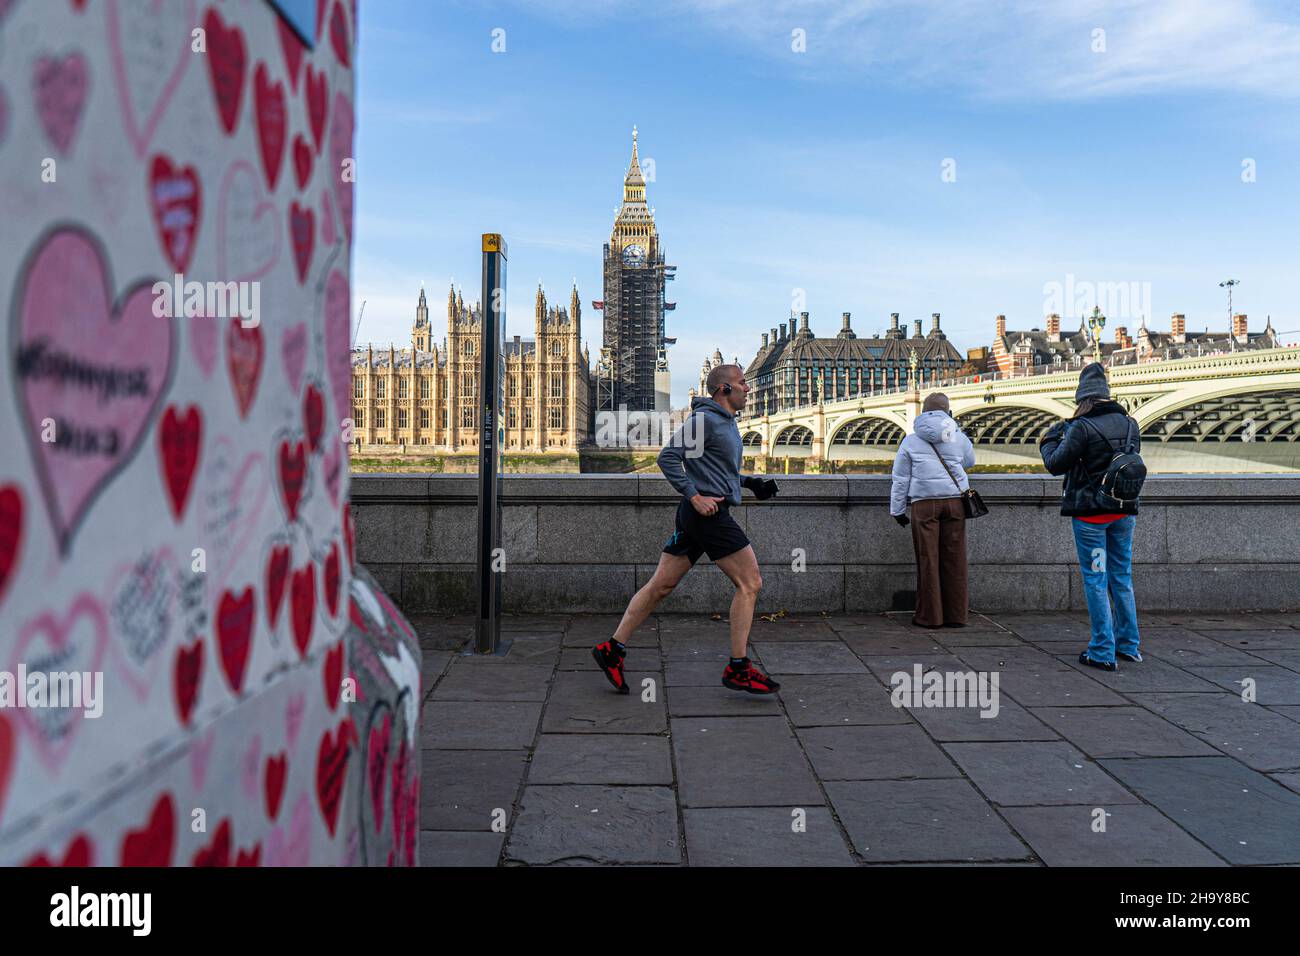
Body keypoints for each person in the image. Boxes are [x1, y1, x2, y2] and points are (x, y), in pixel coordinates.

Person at [591, 364, 782, 695]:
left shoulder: (723, 423)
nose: (747, 389)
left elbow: (713, 472)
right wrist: (694, 497)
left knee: (660, 586)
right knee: (750, 583)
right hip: (708, 516)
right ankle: (738, 668)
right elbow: (668, 458)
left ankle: (612, 650)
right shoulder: (704, 421)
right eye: (742, 383)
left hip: (699, 514)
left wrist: (751, 483)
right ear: (724, 390)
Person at [1039, 361, 1141, 671]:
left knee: (1096, 580)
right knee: (1121, 578)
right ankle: (1129, 645)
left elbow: (1056, 464)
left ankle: (1102, 651)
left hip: (1092, 519)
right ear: (1107, 395)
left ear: (1082, 398)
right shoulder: (1130, 424)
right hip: (1124, 514)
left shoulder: (1081, 427)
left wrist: (1049, 440)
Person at [890, 392, 975, 628]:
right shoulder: (958, 437)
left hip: (924, 505)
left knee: (928, 560)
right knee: (955, 560)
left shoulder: (910, 440)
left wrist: (897, 510)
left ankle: (930, 617)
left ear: (923, 413)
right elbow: (969, 461)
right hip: (956, 503)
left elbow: (900, 479)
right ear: (948, 413)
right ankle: (957, 615)